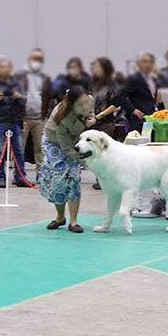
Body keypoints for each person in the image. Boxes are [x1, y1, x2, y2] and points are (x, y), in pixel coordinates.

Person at [40, 86, 95, 233]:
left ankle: (74, 221)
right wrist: (87, 163)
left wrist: (91, 118)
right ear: (71, 105)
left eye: (86, 102)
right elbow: (67, 149)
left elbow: (91, 111)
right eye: (80, 105)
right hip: (54, 143)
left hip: (74, 140)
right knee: (58, 180)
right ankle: (60, 217)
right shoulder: (62, 118)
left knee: (74, 179)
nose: (85, 106)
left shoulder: (89, 100)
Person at [0, 58, 30, 188]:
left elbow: (25, 100)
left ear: (11, 68)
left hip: (15, 121)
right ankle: (1, 178)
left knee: (19, 152)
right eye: (2, 67)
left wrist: (19, 97)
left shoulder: (17, 83)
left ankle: (20, 178)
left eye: (7, 67)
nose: (5, 69)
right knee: (0, 152)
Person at [16, 48, 54, 180]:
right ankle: (18, 175)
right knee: (19, 148)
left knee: (40, 148)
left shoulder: (46, 78)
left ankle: (41, 174)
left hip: (40, 118)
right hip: (23, 118)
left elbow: (50, 97)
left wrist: (47, 114)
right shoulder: (19, 76)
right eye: (34, 59)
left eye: (39, 59)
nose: (36, 62)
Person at [120, 51, 158, 133]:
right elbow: (120, 96)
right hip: (138, 120)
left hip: (152, 119)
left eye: (150, 62)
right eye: (145, 62)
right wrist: (133, 110)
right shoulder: (133, 78)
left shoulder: (154, 79)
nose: (148, 64)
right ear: (138, 64)